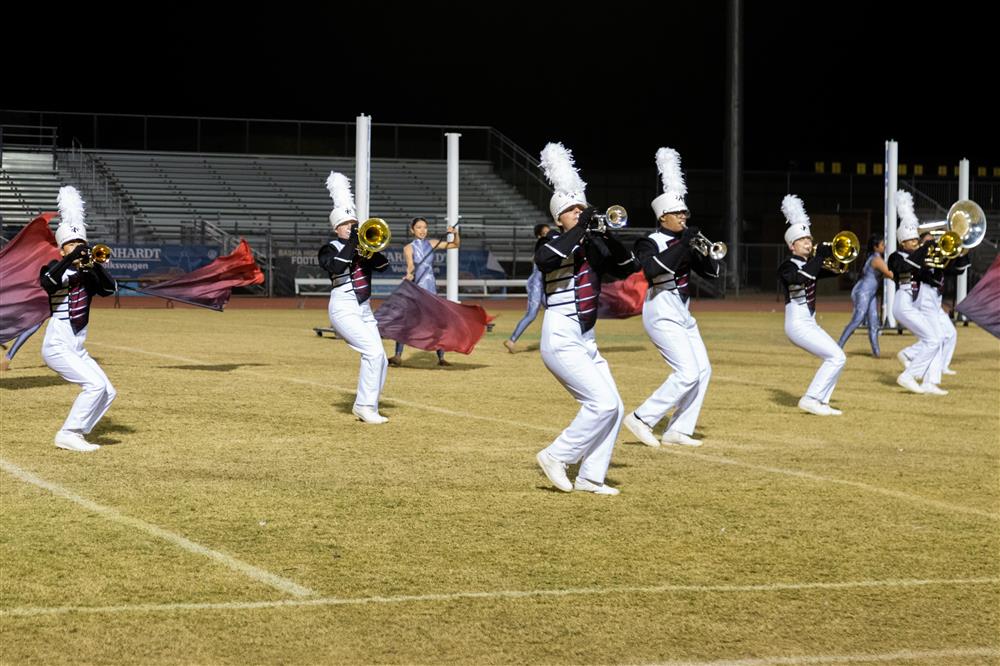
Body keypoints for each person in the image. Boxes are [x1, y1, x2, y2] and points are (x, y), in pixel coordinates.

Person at [533, 142, 638, 495]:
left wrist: (608, 234)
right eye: (572, 210)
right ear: (559, 217)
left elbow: (628, 267)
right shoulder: (552, 241)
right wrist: (581, 228)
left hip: (586, 339)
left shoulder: (592, 245)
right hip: (560, 334)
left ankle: (591, 476)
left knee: (615, 406)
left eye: (582, 208)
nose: (579, 213)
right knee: (602, 403)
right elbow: (547, 261)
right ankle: (556, 455)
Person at [622, 147, 720, 448]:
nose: (683, 217)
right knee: (687, 371)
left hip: (683, 311)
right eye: (678, 213)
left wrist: (703, 251)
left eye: (684, 212)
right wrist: (683, 245)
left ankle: (679, 429)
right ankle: (641, 418)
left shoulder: (684, 240)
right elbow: (651, 270)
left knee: (703, 370)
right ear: (663, 216)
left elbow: (712, 273)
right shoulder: (648, 241)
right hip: (660, 308)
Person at [39, 186, 117, 452]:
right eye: (72, 245)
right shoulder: (54, 269)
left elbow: (109, 289)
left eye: (81, 245)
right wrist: (70, 258)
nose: (78, 249)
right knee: (93, 386)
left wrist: (94, 264)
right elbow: (47, 283)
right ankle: (68, 432)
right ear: (61, 250)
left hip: (77, 348)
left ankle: (79, 433)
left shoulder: (89, 273)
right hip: (57, 346)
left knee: (107, 391)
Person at [318, 172, 391, 423]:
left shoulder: (362, 248)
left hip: (364, 307)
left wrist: (368, 249)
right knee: (371, 352)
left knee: (380, 357)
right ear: (337, 228)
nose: (352, 228)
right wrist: (352, 242)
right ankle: (365, 406)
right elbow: (336, 268)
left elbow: (384, 266)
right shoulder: (330, 248)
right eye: (347, 225)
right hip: (343, 306)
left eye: (354, 224)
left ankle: (368, 403)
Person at [776, 194, 847, 416]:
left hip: (809, 322)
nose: (809, 243)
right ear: (792, 246)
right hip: (797, 324)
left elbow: (837, 270)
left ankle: (820, 401)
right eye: (803, 240)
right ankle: (811, 398)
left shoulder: (810, 265)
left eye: (810, 239)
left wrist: (838, 258)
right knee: (836, 357)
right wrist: (819, 258)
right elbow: (799, 279)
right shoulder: (787, 266)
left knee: (837, 357)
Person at [887, 191, 945, 395]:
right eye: (912, 241)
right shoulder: (895, 257)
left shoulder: (918, 258)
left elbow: (933, 280)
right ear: (902, 242)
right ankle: (909, 375)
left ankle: (925, 379)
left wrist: (944, 260)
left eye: (916, 240)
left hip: (911, 306)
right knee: (933, 340)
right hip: (902, 306)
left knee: (935, 339)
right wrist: (924, 250)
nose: (915, 243)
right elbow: (903, 268)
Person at [387, 216, 460, 367]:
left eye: (425, 227)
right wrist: (409, 274)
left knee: (438, 323)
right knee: (406, 322)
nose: (422, 230)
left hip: (431, 288)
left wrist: (455, 233)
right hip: (417, 289)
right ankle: (398, 356)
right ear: (412, 230)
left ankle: (441, 358)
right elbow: (410, 266)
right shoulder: (408, 247)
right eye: (419, 227)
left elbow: (455, 245)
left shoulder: (432, 243)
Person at [837, 233, 893, 356]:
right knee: (857, 319)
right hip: (863, 292)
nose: (885, 246)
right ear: (875, 247)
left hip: (870, 294)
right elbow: (890, 274)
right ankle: (838, 347)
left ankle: (876, 352)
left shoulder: (875, 258)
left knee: (874, 322)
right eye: (882, 244)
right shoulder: (877, 259)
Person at [503, 223, 551, 353]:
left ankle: (554, 341)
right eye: (546, 233)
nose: (549, 234)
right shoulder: (543, 248)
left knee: (555, 310)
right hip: (536, 284)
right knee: (531, 314)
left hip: (541, 284)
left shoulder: (546, 247)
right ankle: (511, 340)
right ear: (539, 236)